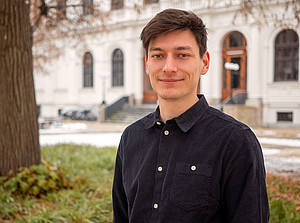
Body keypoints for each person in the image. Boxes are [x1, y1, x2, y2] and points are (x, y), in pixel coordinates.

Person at [112, 8, 269, 223]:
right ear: (147, 65)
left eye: (182, 55)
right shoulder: (131, 138)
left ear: (204, 62)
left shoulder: (236, 141)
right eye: (158, 55)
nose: (168, 67)